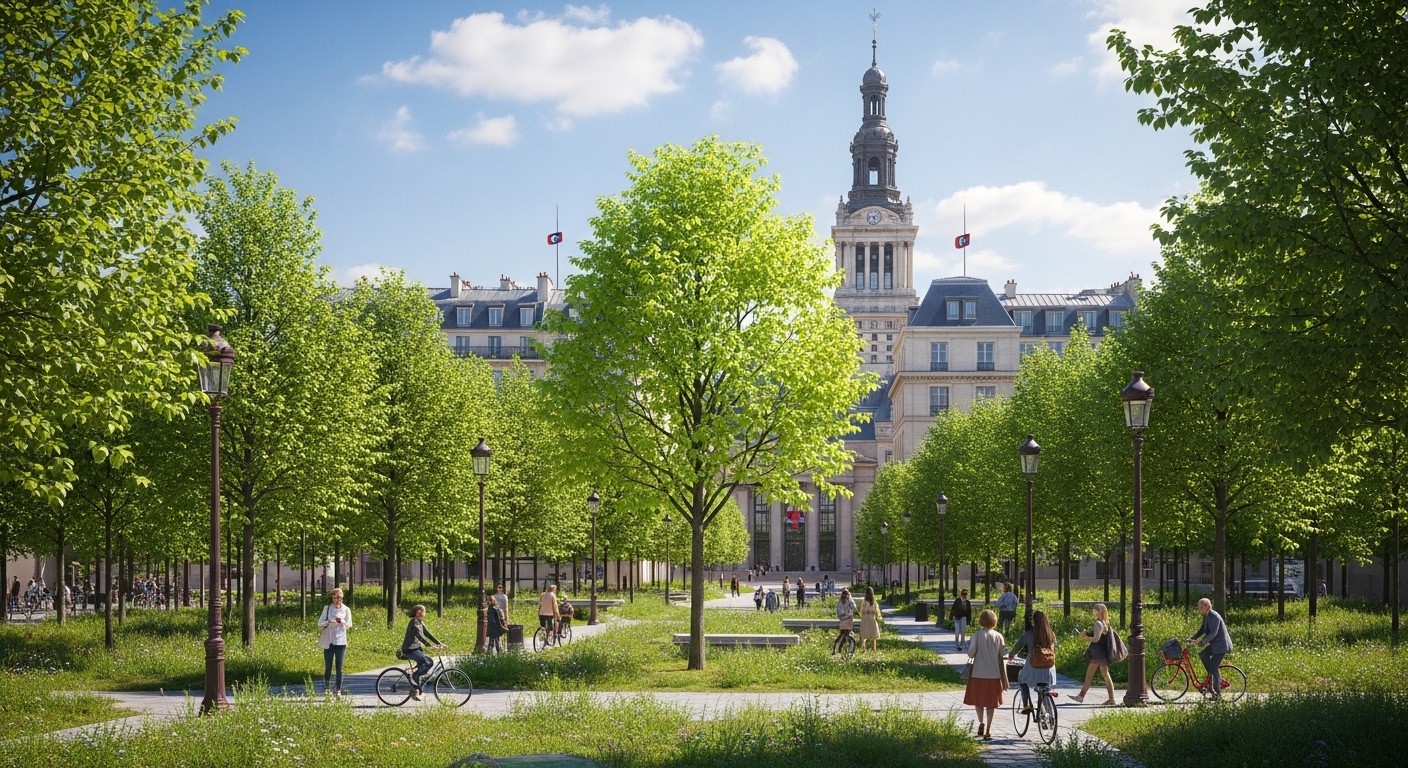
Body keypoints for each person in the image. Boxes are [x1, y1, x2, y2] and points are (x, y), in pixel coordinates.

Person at [964, 610, 1007, 739]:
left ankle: (981, 722)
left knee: (978, 701)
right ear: (994, 621)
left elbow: (971, 653)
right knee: (991, 703)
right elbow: (1003, 653)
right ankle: (988, 728)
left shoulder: (977, 635)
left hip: (977, 673)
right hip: (994, 674)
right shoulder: (999, 636)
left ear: (981, 620)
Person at [1007, 610, 1057, 714]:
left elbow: (1018, 646)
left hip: (1032, 666)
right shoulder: (1051, 634)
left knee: (1022, 679)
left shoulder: (1029, 634)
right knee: (1044, 687)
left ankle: (1026, 706)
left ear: (1033, 621)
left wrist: (1011, 655)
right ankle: (1048, 715)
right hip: (1048, 668)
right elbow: (1054, 649)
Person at [1072, 603, 1117, 705]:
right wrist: (1087, 634)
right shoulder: (1105, 623)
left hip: (1098, 654)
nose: (1093, 612)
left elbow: (1096, 639)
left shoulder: (1098, 623)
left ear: (1100, 611)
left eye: (1095, 610)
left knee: (1098, 675)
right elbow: (1100, 638)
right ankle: (1081, 696)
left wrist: (1085, 638)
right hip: (1100, 653)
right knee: (1099, 675)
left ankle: (1111, 699)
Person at [1189, 597, 1233, 698]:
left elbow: (1213, 633)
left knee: (1213, 668)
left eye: (1201, 607)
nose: (1199, 609)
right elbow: (1202, 629)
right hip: (1214, 645)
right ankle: (1213, 679)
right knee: (1203, 655)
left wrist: (1202, 642)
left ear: (1207, 607)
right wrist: (1192, 638)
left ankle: (1217, 693)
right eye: (1198, 607)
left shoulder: (1214, 617)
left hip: (1221, 646)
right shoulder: (1206, 616)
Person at [400, 604, 444, 700]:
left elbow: (428, 634)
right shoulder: (414, 622)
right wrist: (431, 646)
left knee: (429, 663)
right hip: (409, 649)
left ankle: (415, 691)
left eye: (422, 612)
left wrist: (439, 643)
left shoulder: (420, 622)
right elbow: (420, 636)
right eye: (419, 612)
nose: (421, 614)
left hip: (416, 649)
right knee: (427, 662)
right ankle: (414, 679)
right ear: (415, 613)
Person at [317, 587, 352, 697]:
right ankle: (327, 687)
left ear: (342, 598)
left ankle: (338, 690)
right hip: (329, 640)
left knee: (339, 667)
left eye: (340, 597)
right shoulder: (327, 608)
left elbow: (349, 625)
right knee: (328, 666)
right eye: (335, 597)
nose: (337, 599)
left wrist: (342, 622)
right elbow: (320, 623)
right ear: (332, 597)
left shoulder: (346, 609)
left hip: (341, 641)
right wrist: (329, 621)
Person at [859, 586, 881, 652]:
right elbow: (877, 611)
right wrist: (877, 616)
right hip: (872, 618)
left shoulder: (864, 602)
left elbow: (861, 611)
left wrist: (863, 616)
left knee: (864, 634)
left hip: (865, 619)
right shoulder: (874, 602)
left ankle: (864, 649)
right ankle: (873, 649)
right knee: (873, 634)